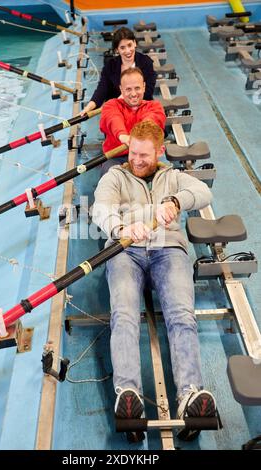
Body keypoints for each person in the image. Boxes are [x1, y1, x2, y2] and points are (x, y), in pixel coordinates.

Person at [92, 120, 217, 440]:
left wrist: (176, 202)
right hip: (125, 251)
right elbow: (100, 210)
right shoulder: (115, 176)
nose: (136, 160)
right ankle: (127, 394)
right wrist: (121, 229)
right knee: (124, 315)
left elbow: (202, 191)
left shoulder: (171, 177)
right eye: (133, 153)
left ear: (159, 152)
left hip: (168, 250)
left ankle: (190, 395)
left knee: (181, 316)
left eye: (144, 155)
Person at [99, 67, 166, 175]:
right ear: (121, 89)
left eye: (137, 88)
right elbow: (113, 118)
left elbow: (151, 122)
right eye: (128, 89)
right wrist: (122, 135)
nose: (134, 94)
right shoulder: (111, 105)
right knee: (109, 176)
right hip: (116, 157)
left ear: (144, 87)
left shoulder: (155, 106)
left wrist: (136, 138)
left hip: (145, 156)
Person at [81, 27, 157, 116]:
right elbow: (102, 89)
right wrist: (89, 107)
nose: (128, 51)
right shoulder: (110, 66)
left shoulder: (146, 62)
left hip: (141, 108)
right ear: (117, 50)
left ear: (135, 43)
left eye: (129, 45)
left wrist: (126, 98)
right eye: (122, 48)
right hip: (117, 111)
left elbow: (148, 91)